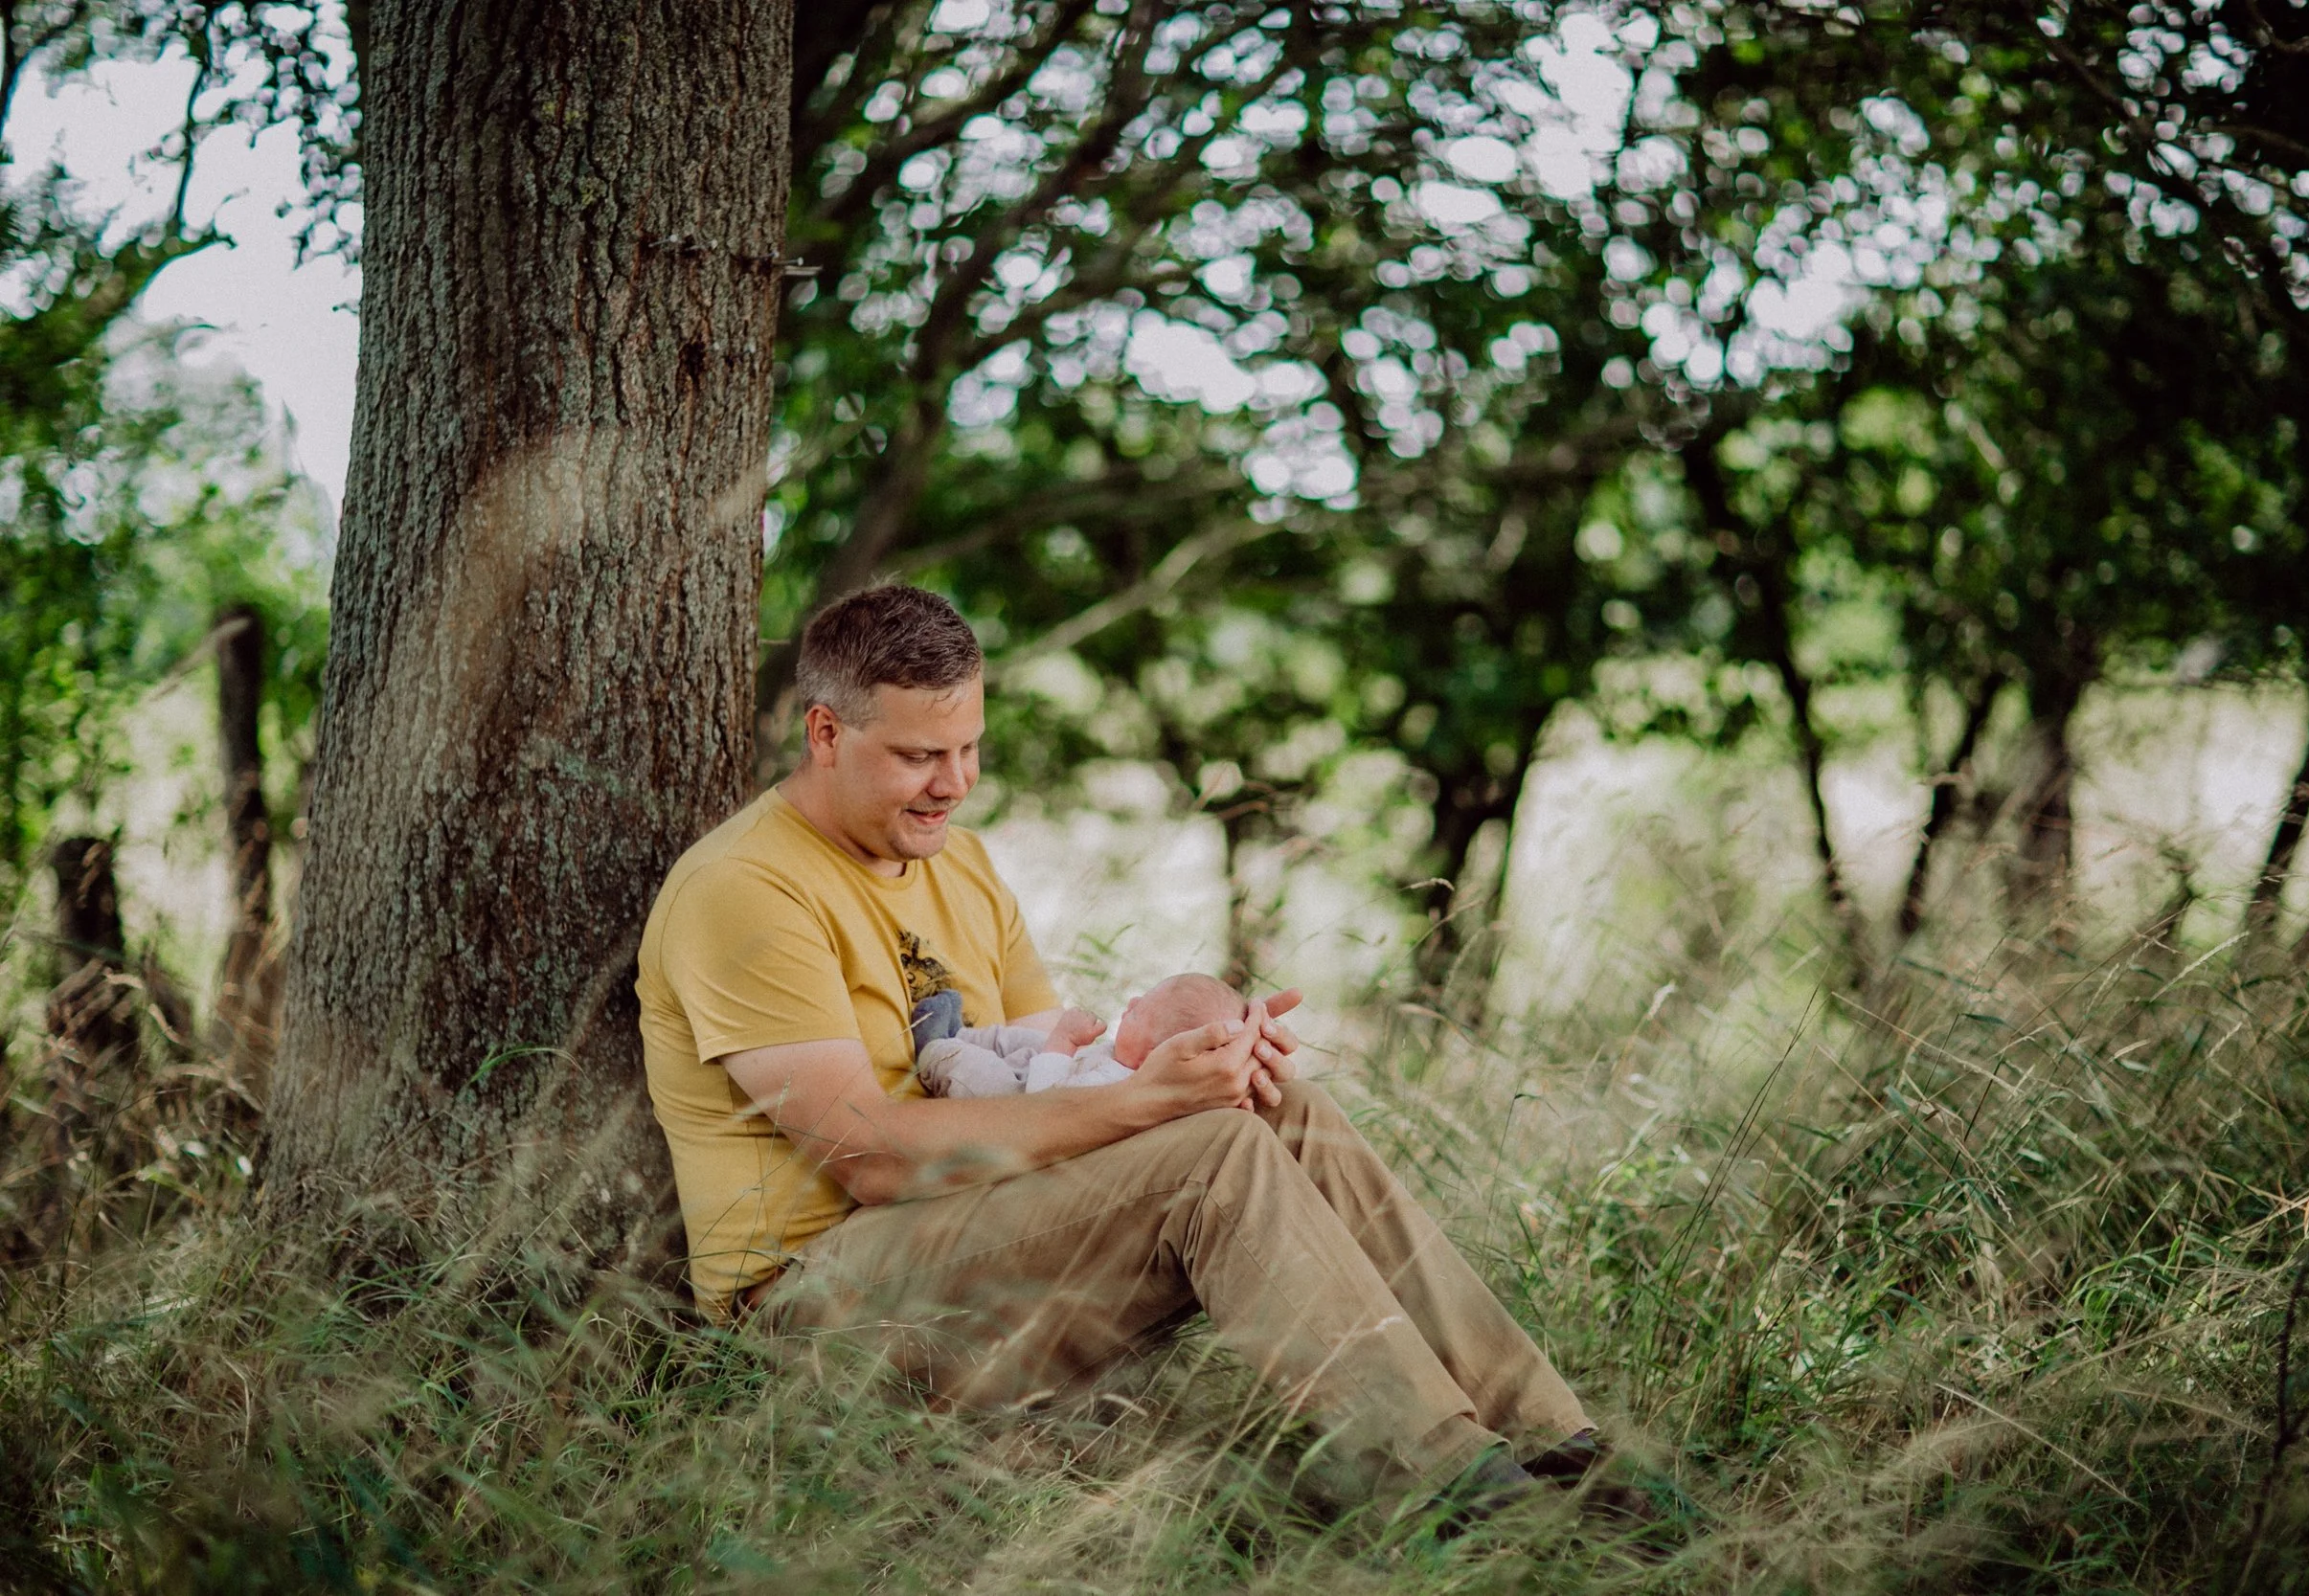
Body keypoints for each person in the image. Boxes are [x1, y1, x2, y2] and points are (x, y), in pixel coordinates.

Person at [636, 584, 1609, 1517]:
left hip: (973, 1235)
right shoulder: (746, 887)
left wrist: (1206, 1059)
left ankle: (1557, 1449)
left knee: (1280, 1109)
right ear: (825, 733)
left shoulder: (959, 861)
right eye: (919, 754)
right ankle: (1455, 1492)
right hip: (817, 1307)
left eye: (969, 747)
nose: (955, 782)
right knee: (1210, 1155)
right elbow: (873, 1158)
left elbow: (1060, 1082)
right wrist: (1153, 1102)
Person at [912, 972, 1245, 1099]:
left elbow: (1045, 1104)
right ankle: (964, 1034)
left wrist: (1064, 1042)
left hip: (1016, 1109)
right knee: (1030, 1041)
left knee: (982, 1073)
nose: (1131, 1003)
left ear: (1154, 1055)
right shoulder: (1122, 1059)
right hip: (1044, 1075)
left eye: (1139, 1011)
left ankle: (937, 1049)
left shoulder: (1113, 1086)